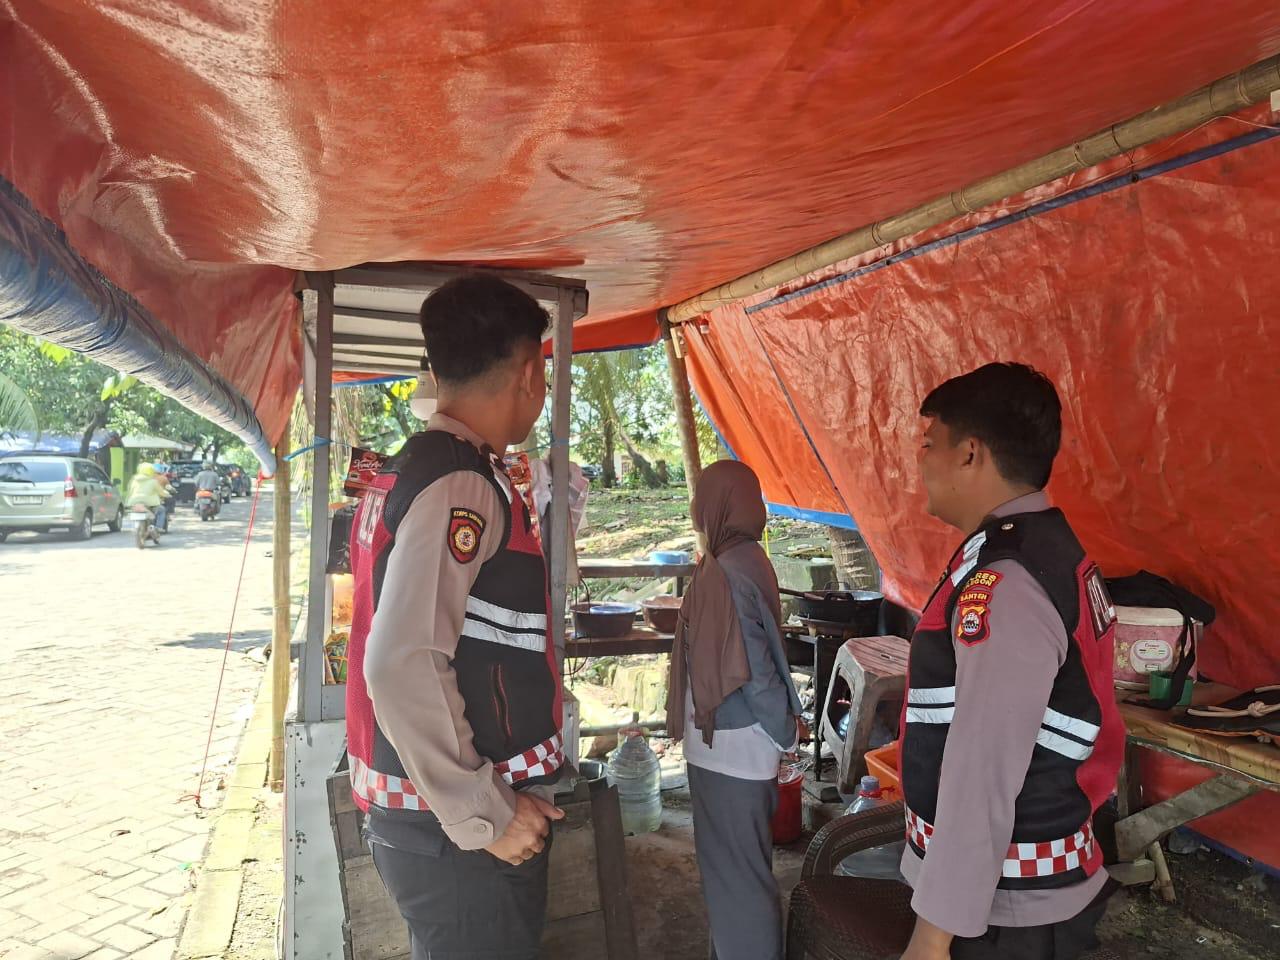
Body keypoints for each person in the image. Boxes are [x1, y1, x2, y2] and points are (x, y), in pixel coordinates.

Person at [346, 275, 566, 960]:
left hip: (429, 821)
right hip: (456, 835)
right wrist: (485, 813)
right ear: (529, 373)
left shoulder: (411, 468)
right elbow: (402, 662)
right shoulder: (460, 483)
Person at [898, 363, 1125, 960]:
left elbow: (982, 767)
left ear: (971, 453)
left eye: (929, 443)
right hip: (1005, 891)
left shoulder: (1007, 582)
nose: (921, 460)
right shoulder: (1037, 547)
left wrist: (931, 937)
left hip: (1002, 915)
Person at [666, 459, 802, 960]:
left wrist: (785, 731)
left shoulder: (726, 570)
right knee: (738, 875)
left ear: (713, 506)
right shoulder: (743, 558)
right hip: (734, 743)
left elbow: (757, 670)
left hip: (729, 746)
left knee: (737, 882)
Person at [126, 463, 172, 533]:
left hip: (134, 502)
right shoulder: (153, 481)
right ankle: (158, 527)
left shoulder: (134, 480)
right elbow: (161, 492)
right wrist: (167, 495)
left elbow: (130, 491)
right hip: (149, 503)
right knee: (162, 510)